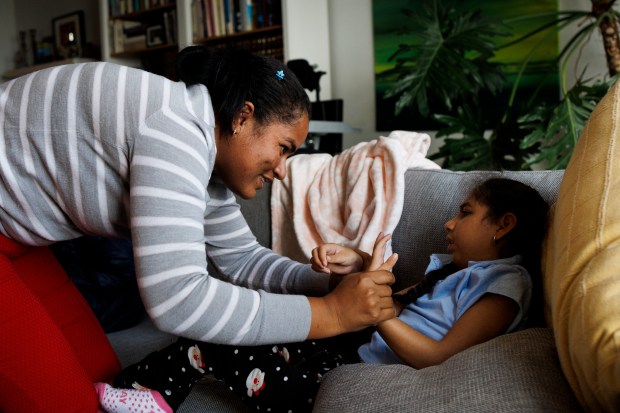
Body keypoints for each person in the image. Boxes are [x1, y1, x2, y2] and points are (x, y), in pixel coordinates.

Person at [0, 45, 396, 413]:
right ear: (243, 116)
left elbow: (242, 260)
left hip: (19, 237)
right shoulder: (176, 130)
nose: (282, 171)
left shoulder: (203, 148)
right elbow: (178, 300)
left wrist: (328, 285)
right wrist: (332, 315)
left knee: (104, 379)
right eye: (283, 148)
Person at [95, 177, 550, 413]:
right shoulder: (451, 271)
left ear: (504, 225)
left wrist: (374, 315)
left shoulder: (505, 284)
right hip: (337, 348)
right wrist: (357, 267)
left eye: (466, 213)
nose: (450, 223)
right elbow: (392, 301)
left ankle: (142, 394)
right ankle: (144, 387)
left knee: (212, 343)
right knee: (253, 320)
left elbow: (437, 355)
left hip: (338, 369)